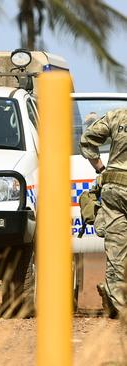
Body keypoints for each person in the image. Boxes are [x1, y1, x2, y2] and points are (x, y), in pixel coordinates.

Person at [80, 109, 127, 319]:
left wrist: (100, 168)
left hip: (115, 190)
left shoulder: (118, 115)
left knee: (117, 248)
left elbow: (87, 140)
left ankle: (115, 297)